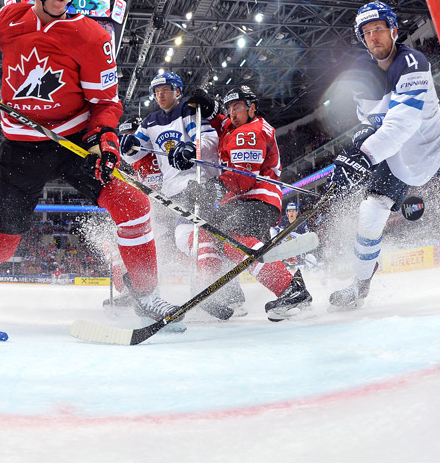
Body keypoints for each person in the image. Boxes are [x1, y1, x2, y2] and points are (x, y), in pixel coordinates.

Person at [0, 0, 183, 330]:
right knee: (3, 243)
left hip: (73, 142)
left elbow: (104, 103)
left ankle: (147, 295)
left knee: (133, 204)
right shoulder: (12, 18)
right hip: (20, 150)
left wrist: (105, 139)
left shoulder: (94, 36)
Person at [326, 1, 440, 309]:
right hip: (398, 158)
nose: (374, 37)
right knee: (370, 215)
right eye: (367, 32)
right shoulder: (361, 78)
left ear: (394, 31)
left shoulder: (412, 62)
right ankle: (359, 286)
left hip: (436, 147)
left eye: (379, 29)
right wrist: (360, 143)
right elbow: (374, 122)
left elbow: (402, 123)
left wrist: (365, 154)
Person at [116, 72, 244, 319]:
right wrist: (126, 146)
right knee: (188, 238)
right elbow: (135, 154)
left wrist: (190, 148)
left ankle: (218, 289)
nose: (160, 95)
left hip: (199, 182)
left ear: (177, 91)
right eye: (156, 92)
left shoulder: (188, 110)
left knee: (198, 235)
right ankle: (226, 289)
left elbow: (210, 140)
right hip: (173, 191)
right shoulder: (150, 122)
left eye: (165, 90)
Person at [179, 86, 313, 321]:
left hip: (257, 198)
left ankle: (291, 289)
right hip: (238, 200)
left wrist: (211, 188)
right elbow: (224, 125)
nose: (232, 113)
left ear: (252, 108)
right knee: (207, 233)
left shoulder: (250, 132)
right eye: (230, 108)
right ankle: (216, 291)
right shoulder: (236, 127)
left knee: (233, 241)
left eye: (238, 107)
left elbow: (243, 177)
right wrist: (211, 110)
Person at [270, 202, 320, 270]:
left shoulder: (302, 224)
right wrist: (274, 238)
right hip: (284, 247)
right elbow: (272, 227)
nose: (291, 213)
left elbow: (306, 238)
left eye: (293, 211)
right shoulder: (282, 221)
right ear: (287, 213)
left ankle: (316, 271)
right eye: (289, 211)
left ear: (297, 212)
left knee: (308, 257)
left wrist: (300, 252)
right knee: (276, 258)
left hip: (298, 248)